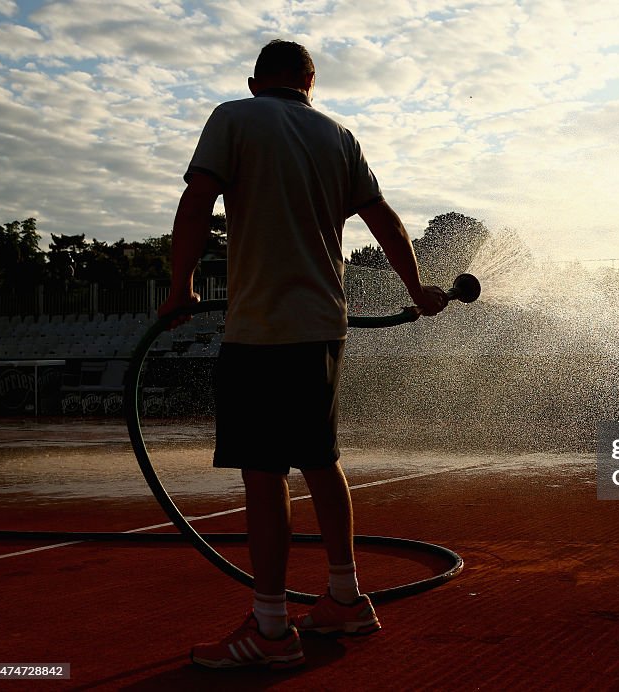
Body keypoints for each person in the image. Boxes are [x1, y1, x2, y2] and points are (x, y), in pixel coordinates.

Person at [158, 39, 449, 670]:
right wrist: (416, 289)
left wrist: (180, 286)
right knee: (321, 461)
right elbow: (385, 220)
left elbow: (196, 201)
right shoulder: (339, 136)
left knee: (264, 474)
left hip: (262, 327)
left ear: (257, 80)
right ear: (311, 83)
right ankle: (345, 597)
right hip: (323, 324)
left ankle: (269, 630)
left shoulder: (234, 116)